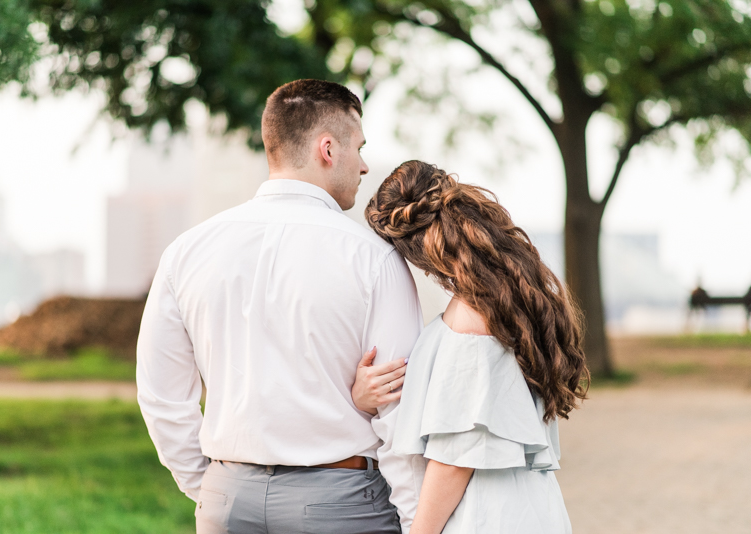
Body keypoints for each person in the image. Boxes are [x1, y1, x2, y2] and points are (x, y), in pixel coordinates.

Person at [136, 79, 422, 534]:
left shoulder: (186, 252)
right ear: (327, 148)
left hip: (226, 501)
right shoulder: (374, 257)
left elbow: (162, 397)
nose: (365, 166)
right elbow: (401, 408)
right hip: (342, 504)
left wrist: (211, 487)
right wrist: (416, 521)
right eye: (359, 147)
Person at [358, 160, 590, 534]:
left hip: (484, 517)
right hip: (529, 508)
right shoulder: (506, 299)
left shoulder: (469, 319)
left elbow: (455, 459)